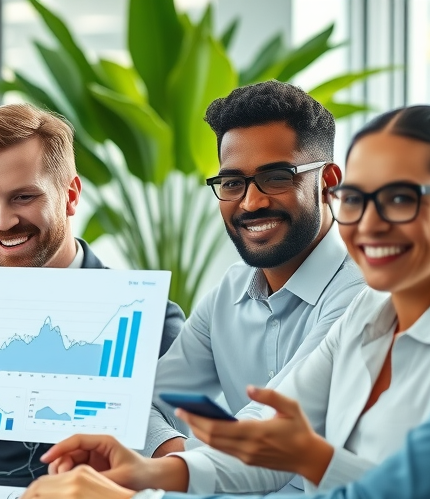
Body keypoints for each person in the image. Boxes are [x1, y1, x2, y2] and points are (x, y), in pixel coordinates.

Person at [8, 80, 430, 499]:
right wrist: (153, 473)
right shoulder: (370, 312)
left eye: (403, 198)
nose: (369, 222)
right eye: (356, 199)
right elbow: (268, 442)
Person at [0, 102, 186, 483]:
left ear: (71, 195)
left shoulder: (153, 320)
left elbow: (176, 469)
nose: (3, 221)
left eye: (24, 197)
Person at [139, 81, 366, 457]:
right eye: (232, 183)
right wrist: (171, 453)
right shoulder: (228, 294)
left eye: (276, 178)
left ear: (327, 183)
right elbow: (141, 404)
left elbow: (269, 428)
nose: (251, 202)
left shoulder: (361, 293)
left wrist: (174, 466)